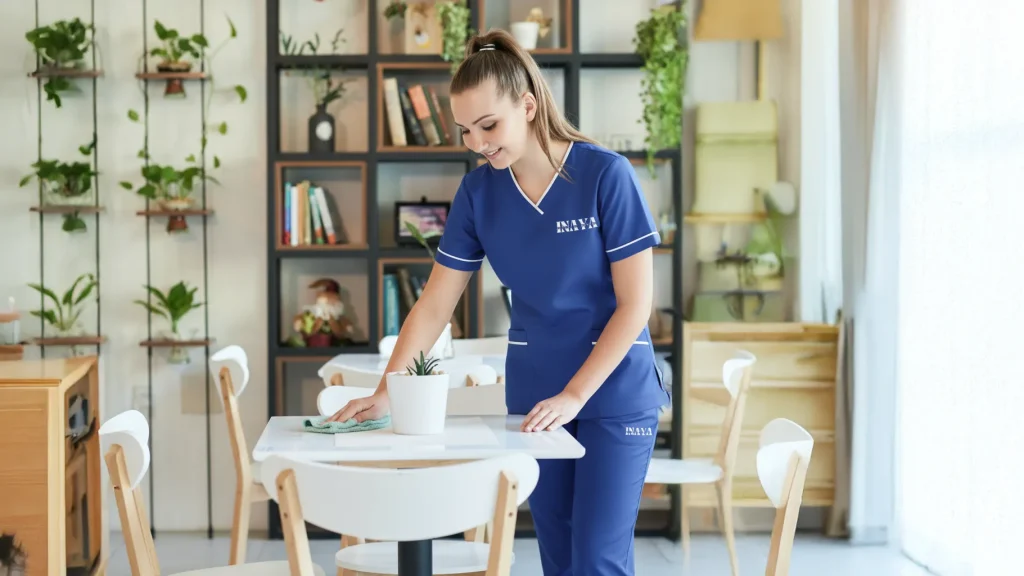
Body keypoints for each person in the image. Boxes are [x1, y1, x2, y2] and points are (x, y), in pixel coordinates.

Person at [327, 28, 671, 576]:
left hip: (612, 393)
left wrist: (576, 395)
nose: (479, 143)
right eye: (465, 130)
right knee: (557, 556)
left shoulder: (605, 175)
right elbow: (435, 305)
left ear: (528, 106)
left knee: (598, 558)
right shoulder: (478, 194)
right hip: (536, 398)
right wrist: (387, 391)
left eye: (489, 125)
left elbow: (636, 305)